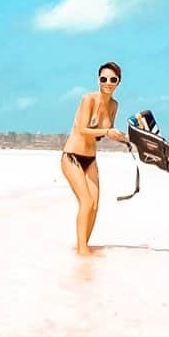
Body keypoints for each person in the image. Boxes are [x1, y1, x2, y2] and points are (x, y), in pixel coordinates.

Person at [61, 61, 127, 255]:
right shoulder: (88, 99)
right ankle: (82, 251)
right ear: (98, 80)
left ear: (118, 83)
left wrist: (126, 138)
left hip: (90, 158)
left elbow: (102, 134)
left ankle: (83, 246)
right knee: (87, 202)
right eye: (103, 78)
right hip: (72, 156)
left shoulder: (114, 105)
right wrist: (107, 130)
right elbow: (82, 129)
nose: (107, 82)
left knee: (95, 205)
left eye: (112, 79)